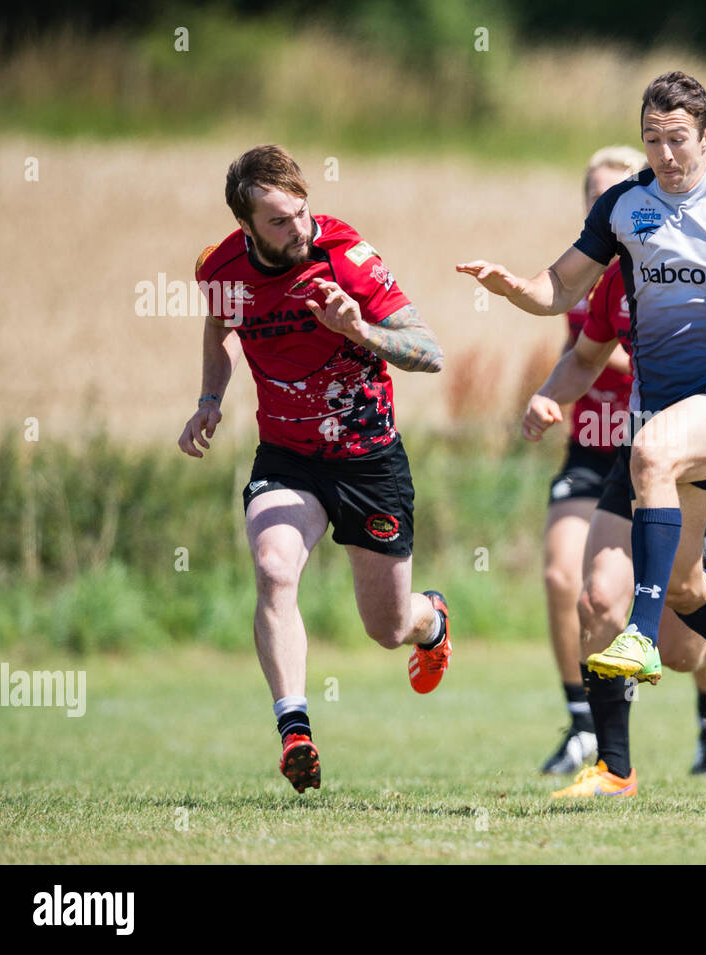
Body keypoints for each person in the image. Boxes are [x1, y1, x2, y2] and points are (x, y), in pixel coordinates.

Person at [459, 71, 706, 740]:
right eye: (652, 140)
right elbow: (559, 287)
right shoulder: (623, 207)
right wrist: (516, 287)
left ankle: (632, 643)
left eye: (677, 140)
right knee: (687, 598)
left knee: (650, 451)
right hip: (663, 418)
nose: (665, 155)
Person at [178, 145, 450, 794]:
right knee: (274, 569)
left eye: (302, 213)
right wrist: (209, 400)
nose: (299, 228)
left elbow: (428, 353)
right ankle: (294, 728)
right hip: (288, 456)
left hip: (368, 459)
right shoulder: (219, 269)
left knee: (386, 629)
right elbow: (219, 331)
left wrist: (360, 330)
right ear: (246, 226)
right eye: (279, 221)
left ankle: (432, 621)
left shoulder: (347, 259)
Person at [522, 258, 706, 793]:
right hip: (641, 456)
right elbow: (584, 359)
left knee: (681, 652)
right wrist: (547, 396)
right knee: (597, 599)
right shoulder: (614, 283)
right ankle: (615, 769)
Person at [537, 147, 642, 776]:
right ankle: (582, 724)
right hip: (588, 446)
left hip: (652, 449)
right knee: (560, 577)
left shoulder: (665, 270)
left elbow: (604, 352)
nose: (604, 208)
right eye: (594, 198)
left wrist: (596, 354)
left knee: (680, 615)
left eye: (617, 195)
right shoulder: (577, 275)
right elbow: (575, 354)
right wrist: (548, 396)